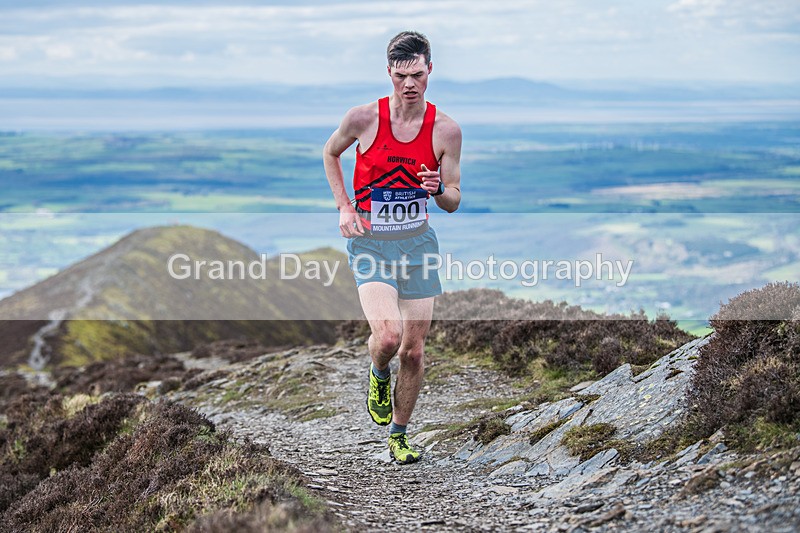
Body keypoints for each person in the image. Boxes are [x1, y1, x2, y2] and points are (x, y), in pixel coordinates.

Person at [322, 30, 462, 464]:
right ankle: (378, 371)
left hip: (418, 243)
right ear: (389, 73)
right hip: (372, 244)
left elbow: (454, 200)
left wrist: (439, 189)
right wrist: (345, 207)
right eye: (401, 76)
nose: (409, 84)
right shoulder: (363, 118)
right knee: (387, 338)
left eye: (417, 75)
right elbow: (330, 153)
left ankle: (399, 436)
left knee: (415, 350)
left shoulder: (446, 131)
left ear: (430, 71)